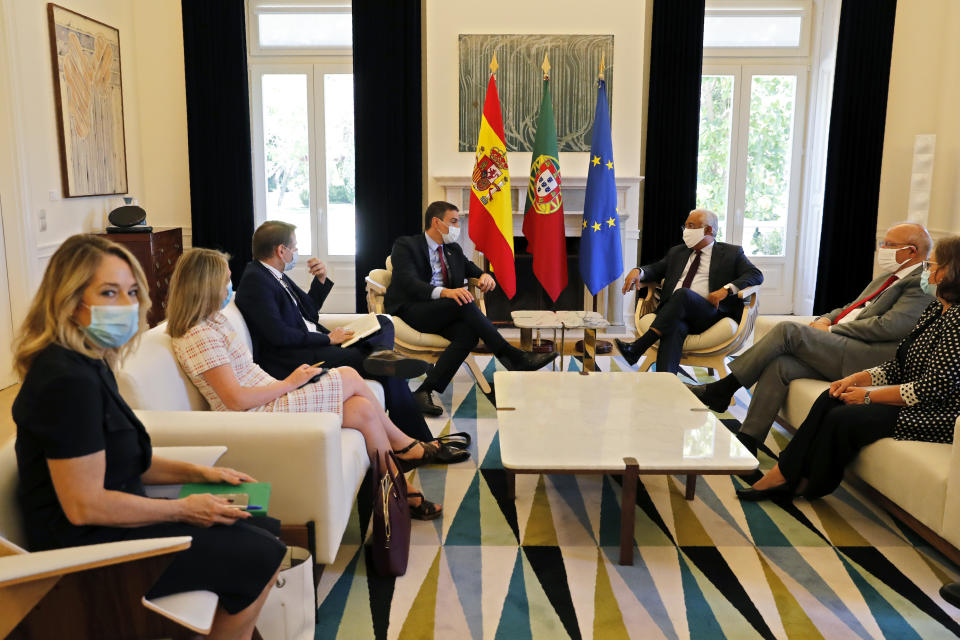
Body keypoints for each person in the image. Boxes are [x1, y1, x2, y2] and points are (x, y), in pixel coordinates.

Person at [13, 235, 284, 640]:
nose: (125, 304)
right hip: (90, 555)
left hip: (115, 524)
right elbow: (84, 505)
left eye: (132, 292)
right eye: (108, 292)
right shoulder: (64, 380)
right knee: (264, 553)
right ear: (69, 301)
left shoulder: (89, 363)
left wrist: (201, 473)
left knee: (267, 526)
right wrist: (184, 509)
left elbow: (125, 458)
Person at [168, 248, 459, 520]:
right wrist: (291, 383)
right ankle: (405, 446)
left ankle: (397, 490)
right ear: (206, 286)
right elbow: (235, 401)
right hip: (255, 413)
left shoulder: (213, 321)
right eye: (226, 282)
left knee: (361, 408)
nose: (230, 289)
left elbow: (305, 314)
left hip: (267, 394)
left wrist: (290, 383)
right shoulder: (199, 336)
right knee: (348, 374)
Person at [736, 235, 960, 502]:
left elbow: (933, 389)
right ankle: (783, 474)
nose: (927, 271)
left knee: (842, 418)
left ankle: (810, 484)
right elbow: (900, 365)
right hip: (916, 400)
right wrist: (857, 379)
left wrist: (867, 396)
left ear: (950, 271)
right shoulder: (936, 310)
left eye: (931, 265)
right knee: (830, 396)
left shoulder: (957, 320)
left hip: (941, 415)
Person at [688, 223, 933, 456]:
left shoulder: (920, 283)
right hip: (846, 344)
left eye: (888, 244)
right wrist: (826, 319)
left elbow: (891, 327)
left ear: (911, 251)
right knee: (780, 365)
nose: (882, 248)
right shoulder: (888, 276)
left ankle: (725, 387)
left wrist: (834, 331)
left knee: (788, 330)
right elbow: (852, 307)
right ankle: (749, 439)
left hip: (867, 355)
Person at [235, 220, 435, 441]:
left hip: (313, 342)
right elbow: (279, 335)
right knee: (389, 371)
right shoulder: (256, 280)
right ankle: (420, 441)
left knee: (382, 321)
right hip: (298, 356)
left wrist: (320, 280)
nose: (296, 252)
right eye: (294, 247)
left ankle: (380, 354)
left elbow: (309, 314)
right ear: (281, 251)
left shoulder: (273, 274)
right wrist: (327, 340)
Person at [386, 201, 558, 416]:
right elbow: (408, 282)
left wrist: (485, 276)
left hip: (443, 311)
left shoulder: (452, 249)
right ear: (436, 222)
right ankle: (513, 357)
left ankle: (425, 390)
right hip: (413, 310)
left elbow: (473, 270)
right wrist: (445, 292)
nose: (458, 227)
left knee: (467, 334)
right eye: (454, 221)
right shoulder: (406, 245)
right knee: (464, 301)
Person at [615, 208, 764, 374]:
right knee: (675, 326)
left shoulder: (731, 253)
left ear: (708, 230)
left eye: (691, 226)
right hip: (673, 313)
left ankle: (639, 346)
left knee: (683, 294)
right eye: (685, 226)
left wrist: (726, 289)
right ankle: (665, 382)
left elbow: (755, 274)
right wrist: (638, 271)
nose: (686, 231)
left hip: (708, 313)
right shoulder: (677, 252)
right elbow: (656, 269)